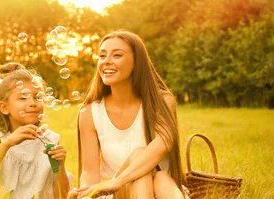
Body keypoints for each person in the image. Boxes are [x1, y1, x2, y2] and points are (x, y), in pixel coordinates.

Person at [70, 30, 188, 199]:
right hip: (114, 194)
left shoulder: (162, 101)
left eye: (117, 55)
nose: (106, 62)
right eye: (102, 56)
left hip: (159, 190)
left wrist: (118, 180)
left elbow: (164, 143)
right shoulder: (89, 112)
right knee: (143, 169)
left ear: (136, 62)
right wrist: (89, 193)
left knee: (160, 176)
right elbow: (89, 172)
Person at [0, 63, 71, 198]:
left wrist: (59, 166)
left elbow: (62, 196)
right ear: (4, 108)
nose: (32, 102)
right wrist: (6, 144)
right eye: (23, 97)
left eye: (38, 97)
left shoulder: (49, 140)